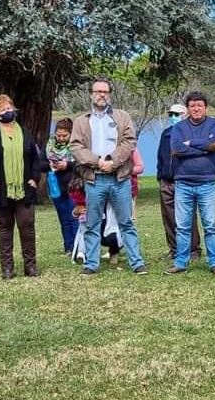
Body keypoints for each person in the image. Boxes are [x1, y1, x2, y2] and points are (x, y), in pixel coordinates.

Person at [69, 78, 146, 275]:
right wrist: (97, 162)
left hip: (119, 178)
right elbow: (76, 147)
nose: (101, 94)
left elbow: (130, 141)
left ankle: (136, 263)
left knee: (126, 222)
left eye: (105, 91)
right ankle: (91, 264)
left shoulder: (122, 117)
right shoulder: (81, 121)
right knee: (92, 223)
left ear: (109, 94)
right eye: (97, 91)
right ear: (91, 94)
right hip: (94, 180)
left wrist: (113, 160)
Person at [0, 95, 41, 279]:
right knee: (4, 228)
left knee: (26, 226)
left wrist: (35, 178)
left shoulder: (25, 132)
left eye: (9, 107)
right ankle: (7, 268)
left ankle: (31, 267)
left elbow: (35, 159)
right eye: (3, 109)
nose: (8, 112)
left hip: (24, 189)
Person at [165, 91, 215, 275]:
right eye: (192, 106)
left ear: (206, 107)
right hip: (183, 183)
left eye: (199, 105)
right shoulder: (179, 127)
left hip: (208, 183)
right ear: (188, 109)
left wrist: (190, 143)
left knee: (210, 225)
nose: (196, 108)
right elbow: (176, 149)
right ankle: (181, 262)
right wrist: (203, 148)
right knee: (182, 226)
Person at [156, 104, 202, 261]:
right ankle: (174, 248)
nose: (172, 117)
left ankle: (193, 249)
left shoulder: (191, 134)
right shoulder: (166, 134)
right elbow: (160, 157)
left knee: (188, 216)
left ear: (184, 115)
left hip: (184, 181)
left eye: (176, 114)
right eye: (171, 114)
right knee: (168, 216)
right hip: (166, 181)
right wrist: (160, 176)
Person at [40, 118, 79, 255]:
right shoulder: (49, 145)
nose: (61, 138)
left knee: (74, 216)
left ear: (71, 134)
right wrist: (51, 165)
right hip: (56, 186)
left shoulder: (77, 145)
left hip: (73, 186)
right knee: (63, 218)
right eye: (58, 135)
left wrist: (67, 165)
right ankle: (68, 246)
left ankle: (77, 246)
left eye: (64, 136)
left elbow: (82, 163)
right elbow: (40, 164)